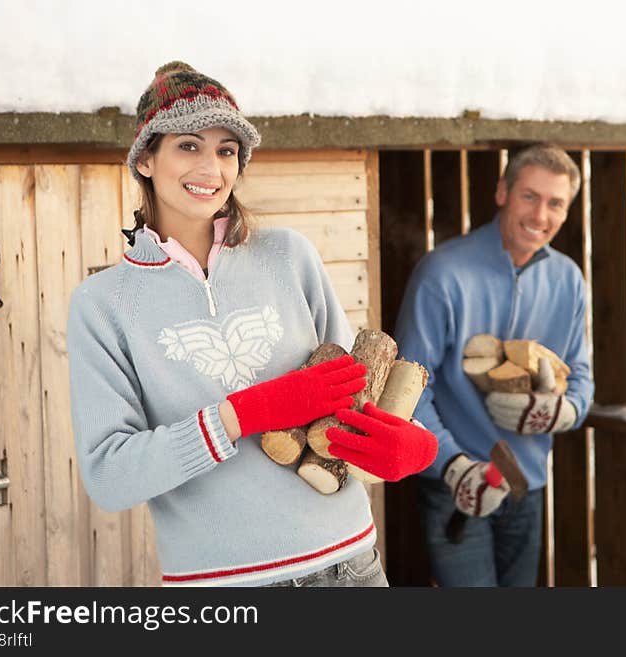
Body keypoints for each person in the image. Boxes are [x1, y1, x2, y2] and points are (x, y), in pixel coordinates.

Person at [66, 61, 437, 588]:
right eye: (188, 146)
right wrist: (241, 415)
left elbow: (356, 398)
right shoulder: (103, 305)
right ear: (145, 158)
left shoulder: (289, 258)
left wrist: (411, 444)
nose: (211, 169)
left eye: (226, 150)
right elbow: (110, 475)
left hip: (352, 567)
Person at [394, 144, 595, 587]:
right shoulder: (441, 273)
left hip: (527, 486)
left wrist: (568, 410)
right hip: (454, 484)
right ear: (502, 191)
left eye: (555, 203)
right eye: (530, 196)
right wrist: (452, 464)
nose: (540, 214)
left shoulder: (569, 280)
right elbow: (408, 389)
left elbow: (580, 377)